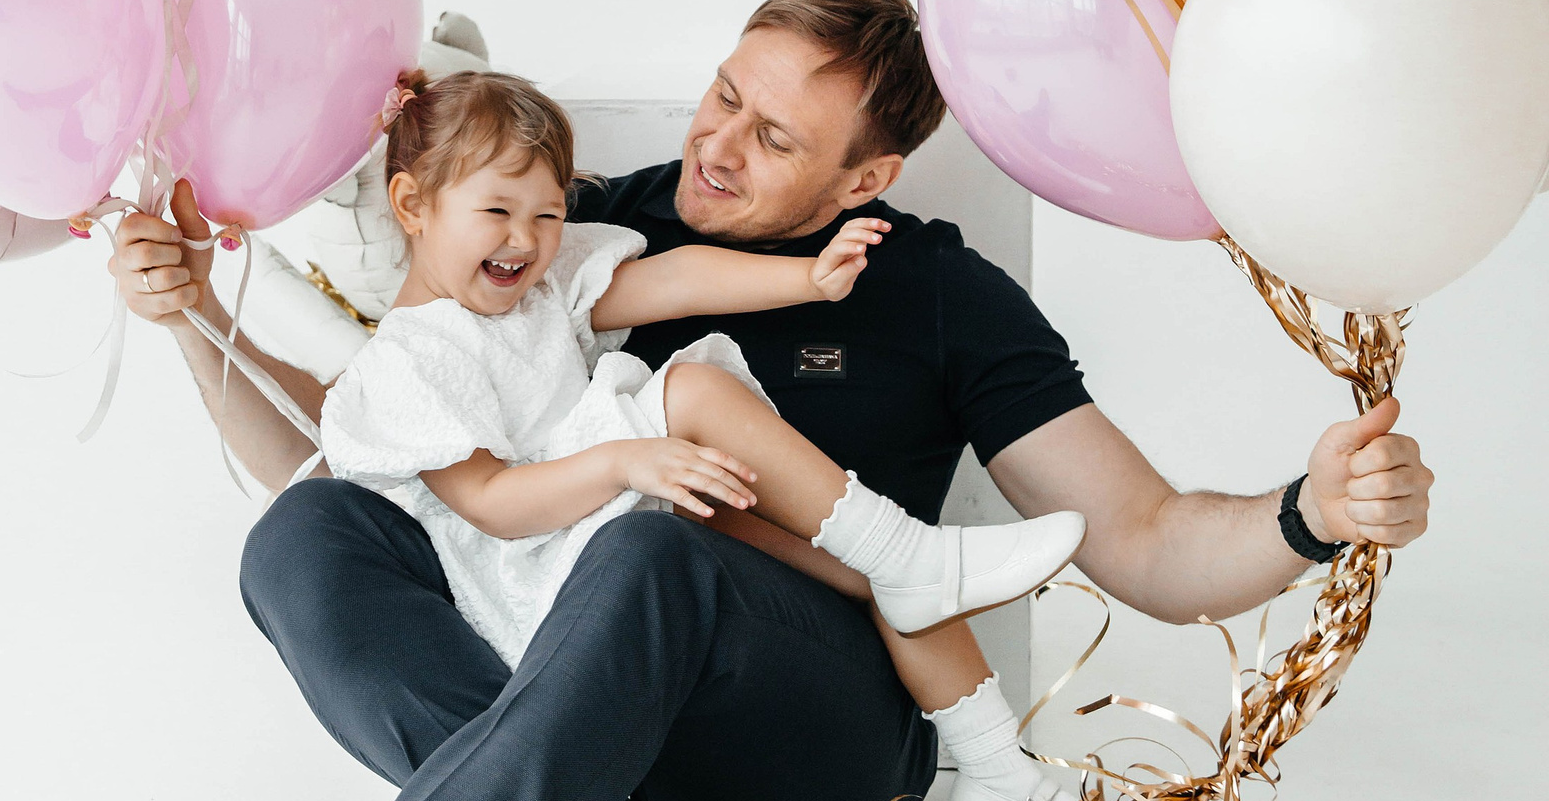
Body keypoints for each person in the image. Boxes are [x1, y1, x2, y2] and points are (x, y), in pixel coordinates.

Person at [0, 0, 1433, 801]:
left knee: (650, 553)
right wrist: (198, 324)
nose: (718, 146)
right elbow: (382, 445)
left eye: (775, 137)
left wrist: (1308, 512)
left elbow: (1150, 541)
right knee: (303, 534)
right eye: (725, 94)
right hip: (573, 701)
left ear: (870, 174)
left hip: (803, 735)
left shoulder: (942, 295)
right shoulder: (576, 225)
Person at [320, 65, 1083, 681]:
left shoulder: (541, 291)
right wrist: (623, 460)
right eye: (497, 212)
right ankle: (911, 554)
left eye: (547, 214)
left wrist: (809, 279)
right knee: (692, 391)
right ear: (412, 205)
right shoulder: (409, 359)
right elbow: (491, 503)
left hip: (627, 511)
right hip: (543, 568)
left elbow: (678, 276)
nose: (525, 238)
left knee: (858, 569)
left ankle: (997, 766)